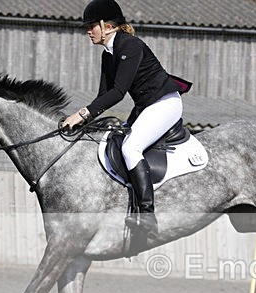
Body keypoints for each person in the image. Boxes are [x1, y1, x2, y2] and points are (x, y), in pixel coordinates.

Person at [62, 0, 192, 245]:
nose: (88, 31)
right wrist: (82, 122)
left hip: (165, 104)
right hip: (145, 106)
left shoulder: (130, 45)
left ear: (108, 26)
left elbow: (119, 92)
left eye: (92, 26)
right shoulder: (107, 55)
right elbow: (103, 96)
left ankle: (147, 216)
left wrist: (82, 114)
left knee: (130, 147)